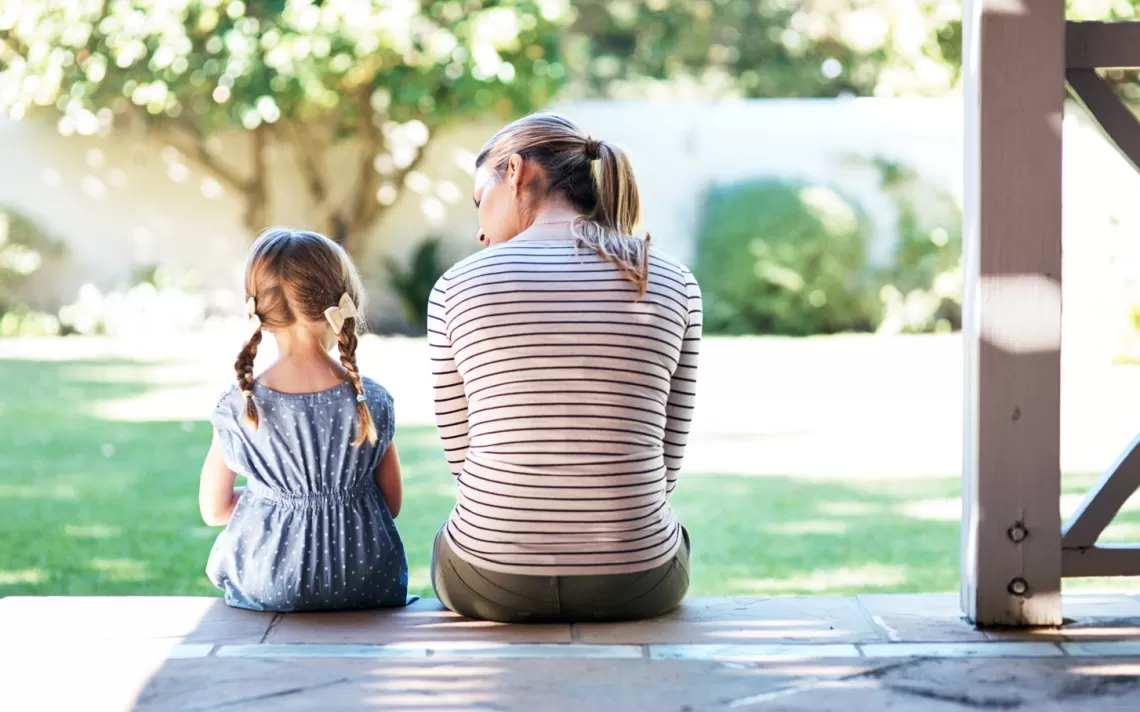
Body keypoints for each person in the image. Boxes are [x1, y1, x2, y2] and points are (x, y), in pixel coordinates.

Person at [427, 113, 703, 622]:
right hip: (637, 580)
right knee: (673, 535)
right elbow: (667, 460)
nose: (480, 229)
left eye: (478, 200)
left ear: (514, 171)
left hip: (490, 580)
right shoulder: (671, 280)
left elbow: (463, 460)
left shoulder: (456, 287)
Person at [199, 228, 409, 612]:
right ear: (343, 302)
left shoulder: (239, 405)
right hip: (365, 581)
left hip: (269, 584)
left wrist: (274, 497)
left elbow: (214, 510)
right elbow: (391, 503)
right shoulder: (372, 399)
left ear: (257, 310)